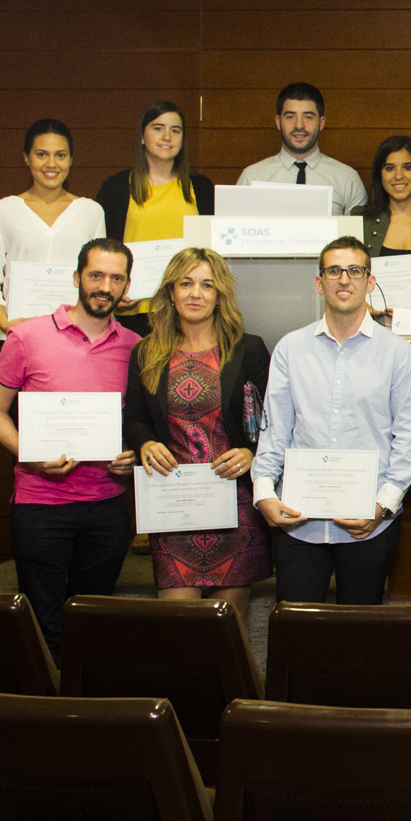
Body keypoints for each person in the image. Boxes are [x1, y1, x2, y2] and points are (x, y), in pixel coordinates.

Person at [0, 238, 139, 649]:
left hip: (107, 506)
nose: (105, 286)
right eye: (96, 275)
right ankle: (47, 690)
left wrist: (131, 455)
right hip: (41, 505)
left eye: (116, 278)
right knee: (42, 621)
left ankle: (81, 690)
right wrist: (29, 453)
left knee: (92, 619)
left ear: (127, 287)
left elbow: (138, 422)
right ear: (76, 278)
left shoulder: (135, 347)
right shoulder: (25, 336)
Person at [251, 237, 411, 605]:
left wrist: (382, 506)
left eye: (354, 271)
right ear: (320, 283)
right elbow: (274, 431)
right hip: (298, 522)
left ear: (370, 281)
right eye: (334, 271)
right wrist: (264, 492)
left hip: (369, 523)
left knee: (359, 632)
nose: (344, 279)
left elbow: (409, 438)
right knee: (296, 627)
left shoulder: (397, 353)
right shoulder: (290, 349)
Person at [121, 247, 272, 617]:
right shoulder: (146, 353)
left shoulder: (248, 349)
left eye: (207, 285)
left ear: (219, 295)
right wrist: (146, 443)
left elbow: (272, 420)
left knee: (230, 627)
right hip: (173, 503)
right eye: (186, 283)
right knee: (178, 627)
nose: (195, 293)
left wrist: (251, 452)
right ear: (171, 292)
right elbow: (134, 418)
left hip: (234, 502)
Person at [0, 118, 109, 334]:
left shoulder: (91, 212)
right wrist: (5, 324)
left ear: (71, 159)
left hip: (76, 336)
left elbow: (98, 276)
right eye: (41, 154)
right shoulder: (3, 211)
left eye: (60, 155)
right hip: (19, 335)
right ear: (26, 157)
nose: (51, 164)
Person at [93, 100, 214, 322]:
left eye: (175, 130)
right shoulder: (117, 187)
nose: (167, 136)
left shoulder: (202, 188)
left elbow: (212, 251)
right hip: (134, 310)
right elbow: (101, 250)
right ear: (142, 136)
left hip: (188, 309)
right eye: (158, 128)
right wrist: (114, 290)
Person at [236, 81, 366, 211]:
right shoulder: (251, 178)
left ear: (321, 123)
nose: (299, 125)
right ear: (278, 122)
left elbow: (358, 224)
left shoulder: (347, 179)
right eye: (290, 117)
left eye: (308, 117)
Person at [359, 134, 411, 262]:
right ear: (380, 173)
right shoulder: (361, 219)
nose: (398, 176)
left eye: (407, 168)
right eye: (389, 168)